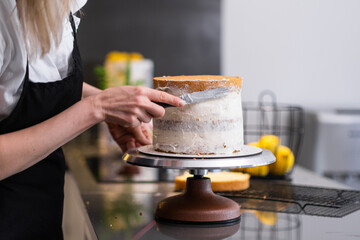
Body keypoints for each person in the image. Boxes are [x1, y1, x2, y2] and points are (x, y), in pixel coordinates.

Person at [0, 0, 185, 238]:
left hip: (39, 218)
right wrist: (95, 109)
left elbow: (15, 87)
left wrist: (107, 104)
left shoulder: (53, 7)